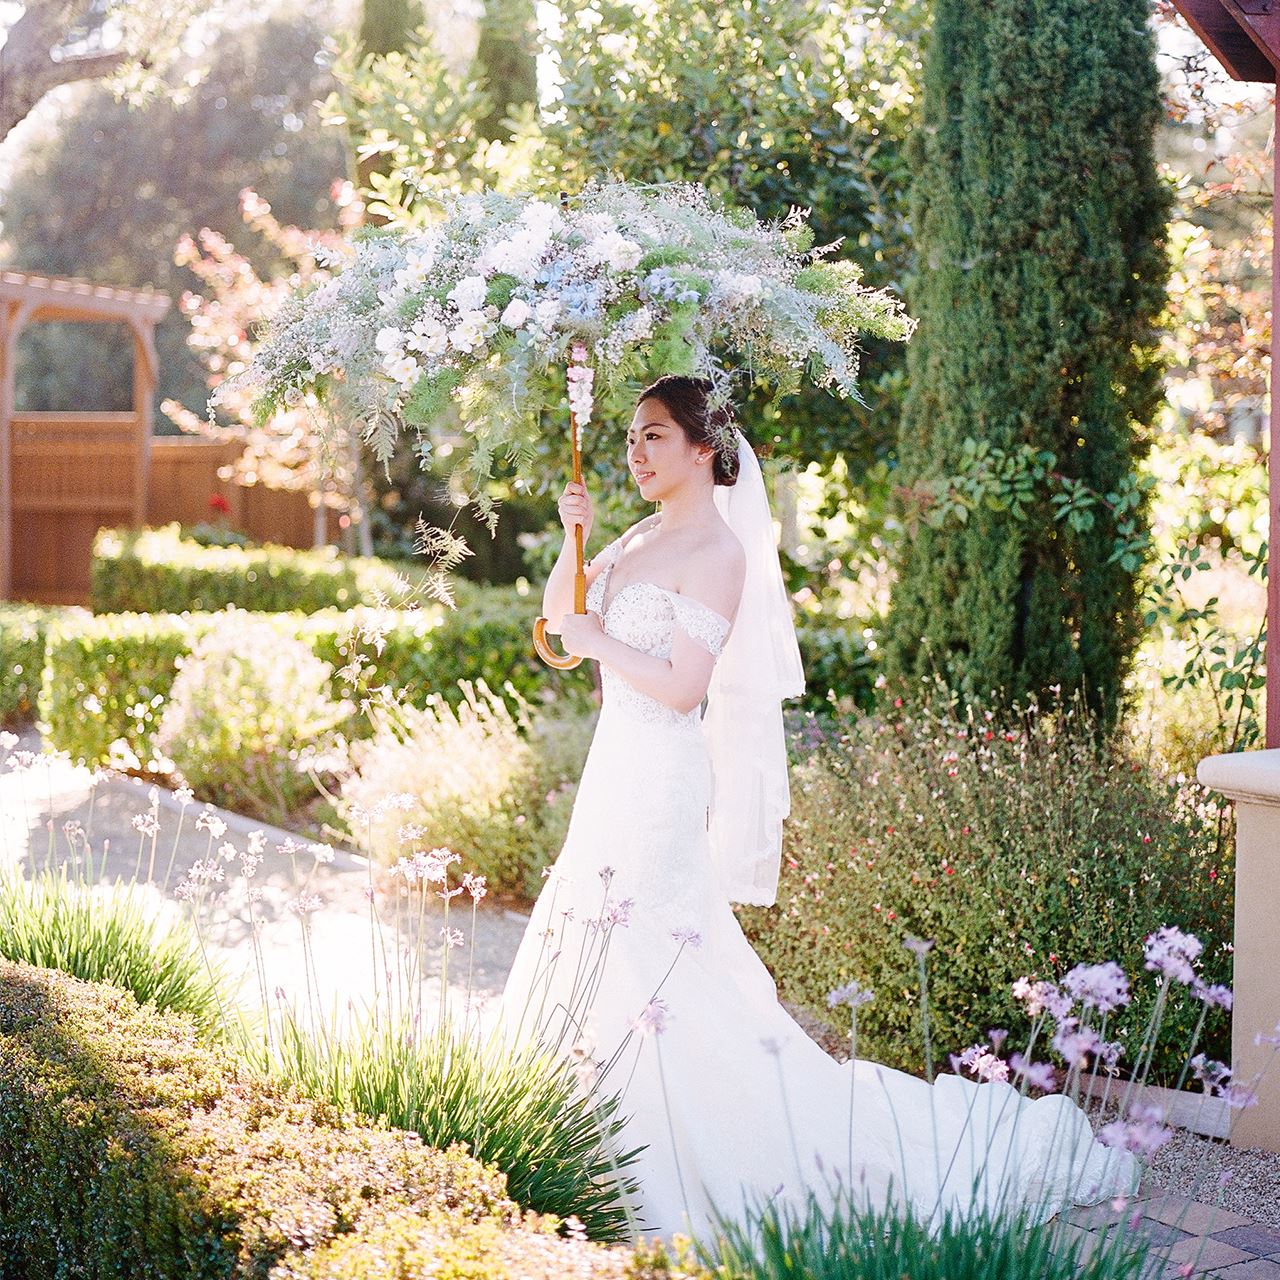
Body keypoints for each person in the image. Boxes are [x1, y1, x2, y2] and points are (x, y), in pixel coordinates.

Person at [497, 374, 1135, 1241]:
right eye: (632, 438)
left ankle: (681, 1144)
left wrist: (599, 637)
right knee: (592, 935)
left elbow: (684, 688)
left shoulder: (720, 554)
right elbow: (557, 624)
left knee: (649, 947)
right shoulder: (640, 534)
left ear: (703, 449)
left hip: (661, 782)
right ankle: (576, 1129)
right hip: (614, 775)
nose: (634, 453)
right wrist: (574, 540)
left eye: (652, 437)